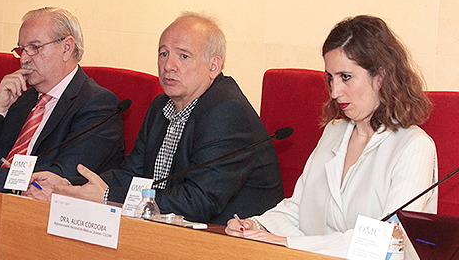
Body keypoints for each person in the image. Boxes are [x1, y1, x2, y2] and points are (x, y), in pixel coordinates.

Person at [27, 12, 284, 226]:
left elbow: (199, 201)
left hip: (230, 242)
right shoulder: (162, 106)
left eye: (183, 56)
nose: (168, 65)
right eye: (163, 54)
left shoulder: (227, 112)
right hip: (171, 230)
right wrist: (69, 186)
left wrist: (107, 196)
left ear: (213, 66)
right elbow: (133, 173)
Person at [226, 15, 437, 259]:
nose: (335, 92)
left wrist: (285, 242)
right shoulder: (334, 132)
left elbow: (385, 239)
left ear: (381, 76)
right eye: (330, 78)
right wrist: (257, 226)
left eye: (345, 77)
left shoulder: (414, 146)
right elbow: (297, 209)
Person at [0, 7, 124, 191]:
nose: (24, 59)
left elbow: (58, 176)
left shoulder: (98, 105)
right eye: (21, 50)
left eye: (34, 48)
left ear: (67, 48)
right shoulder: (22, 98)